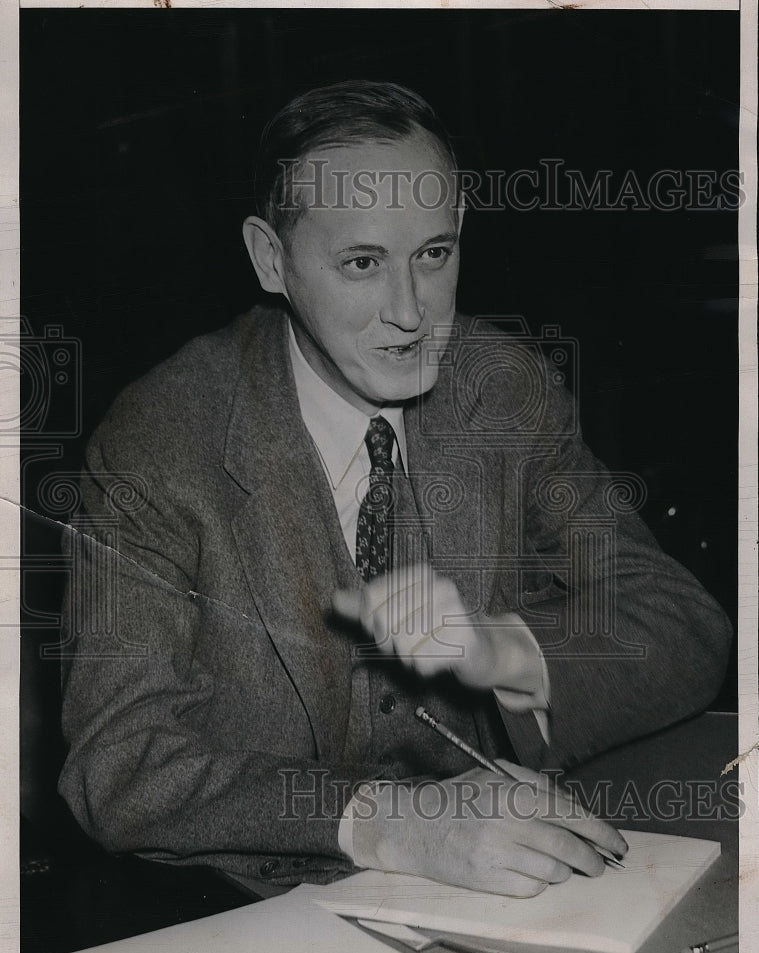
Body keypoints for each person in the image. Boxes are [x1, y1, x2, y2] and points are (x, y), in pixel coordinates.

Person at [58, 80, 731, 897]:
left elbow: (683, 626)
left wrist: (505, 649)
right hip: (257, 906)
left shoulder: (500, 389)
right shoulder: (160, 440)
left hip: (506, 881)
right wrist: (392, 821)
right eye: (362, 263)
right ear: (271, 259)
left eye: (433, 255)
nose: (411, 313)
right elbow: (119, 762)